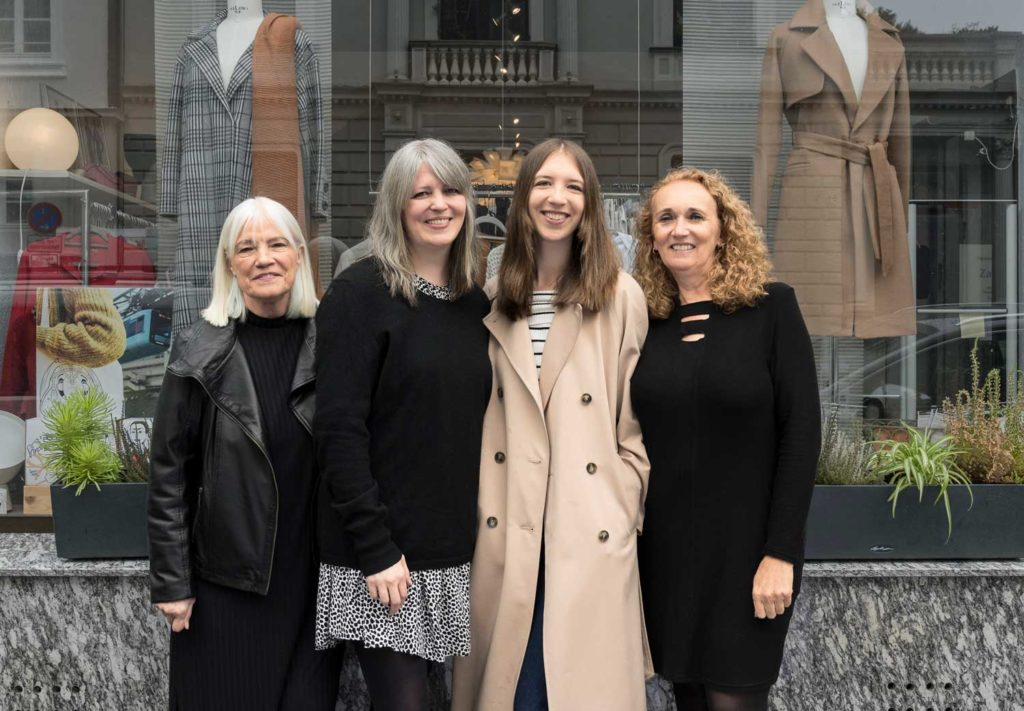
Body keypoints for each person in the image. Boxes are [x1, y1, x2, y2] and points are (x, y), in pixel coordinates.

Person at [452, 138, 651, 711]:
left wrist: (621, 501)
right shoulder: (493, 295)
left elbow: (633, 420)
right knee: (514, 690)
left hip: (586, 529)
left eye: (571, 186)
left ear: (588, 201)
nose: (556, 198)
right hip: (507, 522)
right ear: (522, 199)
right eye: (543, 184)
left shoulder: (620, 296)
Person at [630, 168, 821, 711]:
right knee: (686, 696)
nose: (679, 229)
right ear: (650, 236)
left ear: (723, 230)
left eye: (695, 216)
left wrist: (780, 553)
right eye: (666, 218)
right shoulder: (645, 321)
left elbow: (802, 437)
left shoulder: (771, 309)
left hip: (748, 558)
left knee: (734, 698)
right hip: (663, 555)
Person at [314, 138, 492, 711]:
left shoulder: (472, 305)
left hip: (449, 549)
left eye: (450, 190)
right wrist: (376, 548)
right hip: (383, 555)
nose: (439, 204)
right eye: (421, 193)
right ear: (396, 205)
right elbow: (339, 431)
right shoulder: (358, 292)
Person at [148, 196, 342, 710]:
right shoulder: (198, 350)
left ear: (299, 255)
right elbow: (169, 473)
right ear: (229, 264)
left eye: (277, 244)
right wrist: (172, 581)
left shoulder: (335, 345)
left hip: (314, 586)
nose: (264, 258)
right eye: (247, 248)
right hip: (226, 586)